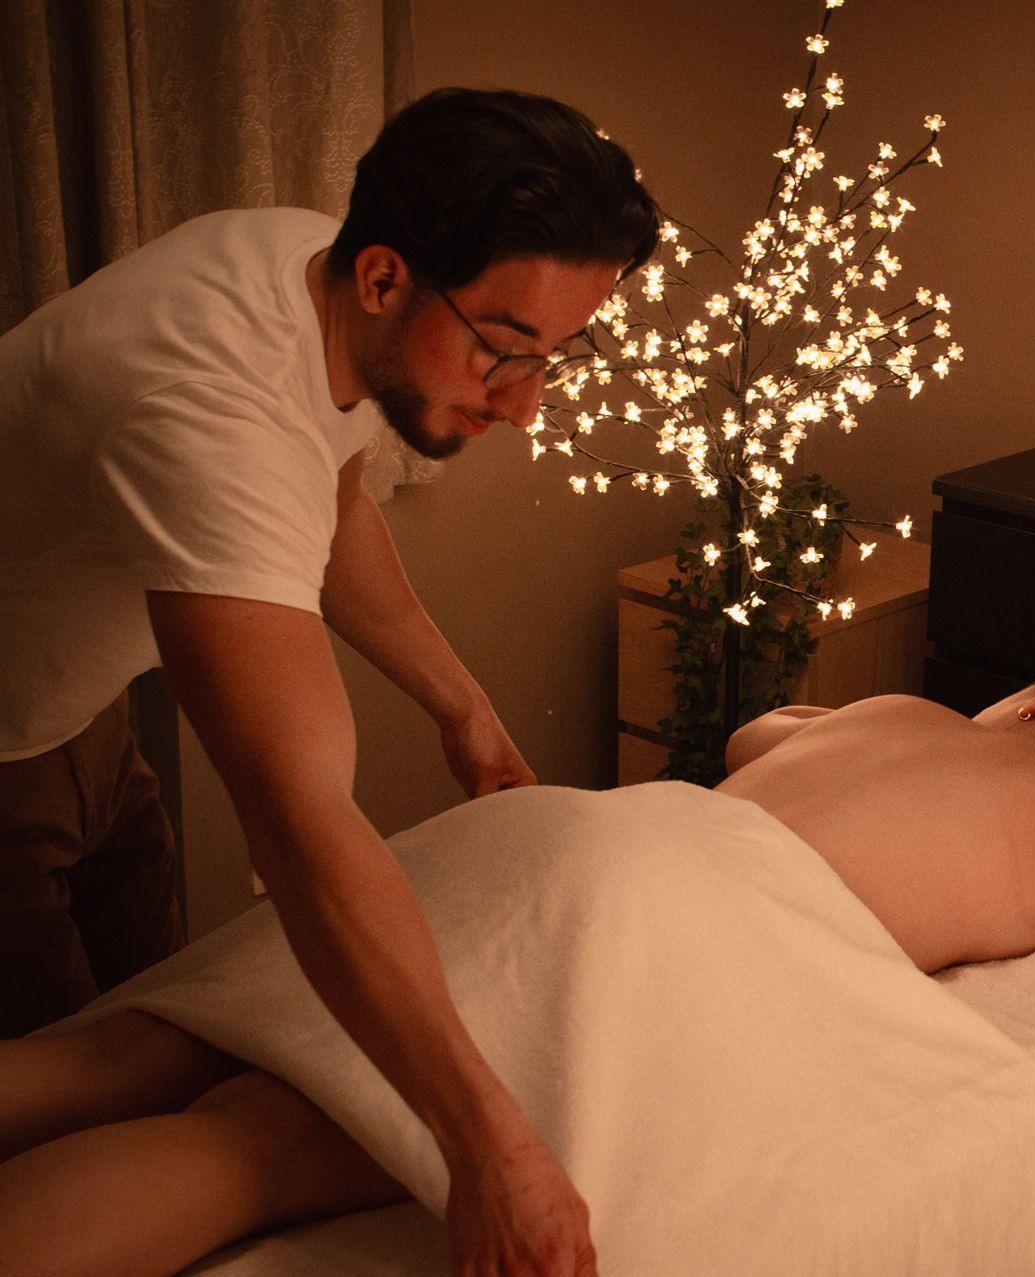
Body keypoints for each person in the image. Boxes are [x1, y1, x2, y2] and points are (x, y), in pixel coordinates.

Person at [0, 670, 1035, 1275]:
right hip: (670, 920)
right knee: (256, 1149)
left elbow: (753, 732)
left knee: (147, 1049)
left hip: (570, 835)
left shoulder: (887, 717)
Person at [0, 88, 659, 1275]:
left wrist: (460, 704)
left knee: (169, 1040)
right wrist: (492, 1151)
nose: (524, 403)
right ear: (384, 280)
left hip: (79, 717)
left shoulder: (315, 265)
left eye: (554, 357)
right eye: (504, 352)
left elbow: (332, 493)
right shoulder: (206, 408)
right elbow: (300, 824)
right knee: (68, 1105)